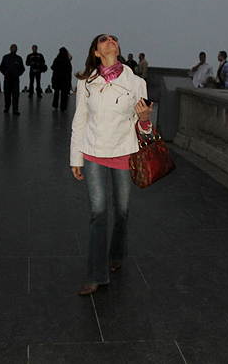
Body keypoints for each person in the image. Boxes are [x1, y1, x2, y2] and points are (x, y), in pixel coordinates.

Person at [70, 34, 153, 296]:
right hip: (93, 151)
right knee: (98, 212)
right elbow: (79, 120)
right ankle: (96, 275)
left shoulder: (137, 82)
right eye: (104, 40)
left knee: (123, 211)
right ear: (96, 52)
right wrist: (76, 157)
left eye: (114, 39)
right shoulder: (86, 82)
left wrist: (145, 119)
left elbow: (145, 130)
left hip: (124, 152)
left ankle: (117, 253)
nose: (111, 41)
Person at [0, 44, 25, 115]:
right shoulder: (6, 57)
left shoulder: (19, 58)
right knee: (7, 94)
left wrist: (17, 74)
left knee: (15, 95)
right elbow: (1, 67)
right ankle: (7, 107)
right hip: (7, 79)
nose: (14, 49)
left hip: (15, 79)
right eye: (13, 48)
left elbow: (22, 69)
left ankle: (15, 109)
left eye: (15, 48)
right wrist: (5, 73)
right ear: (10, 49)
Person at [51, 46, 72, 111]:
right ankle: (63, 107)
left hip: (57, 79)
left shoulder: (57, 60)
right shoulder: (67, 61)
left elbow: (52, 67)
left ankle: (55, 104)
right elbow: (69, 71)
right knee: (64, 94)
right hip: (64, 80)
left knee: (56, 93)